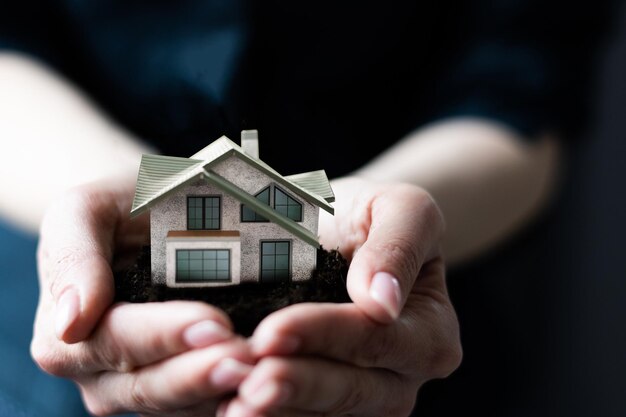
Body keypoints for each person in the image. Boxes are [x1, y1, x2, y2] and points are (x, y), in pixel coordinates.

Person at [0, 1, 617, 416]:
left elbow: (516, 96)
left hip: (408, 330)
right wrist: (131, 196)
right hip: (50, 332)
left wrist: (377, 223)